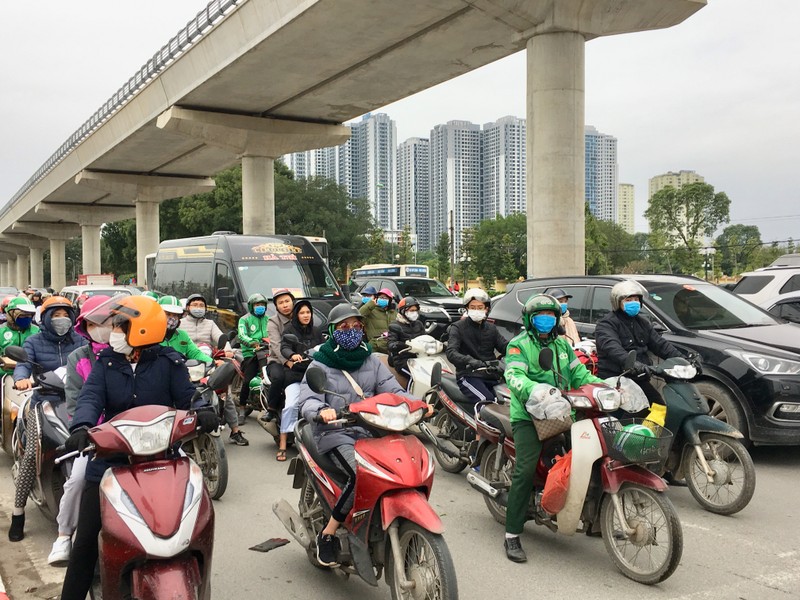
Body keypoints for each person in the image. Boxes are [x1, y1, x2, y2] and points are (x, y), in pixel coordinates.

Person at [59, 295, 218, 600]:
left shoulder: (169, 362)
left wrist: (203, 408)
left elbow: (188, 394)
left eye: (121, 325)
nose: (113, 331)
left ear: (141, 329)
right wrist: (81, 427)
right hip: (111, 458)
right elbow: (90, 397)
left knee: (196, 517)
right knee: (87, 541)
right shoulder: (106, 363)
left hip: (163, 457)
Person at [298, 304, 419, 567]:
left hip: (371, 429)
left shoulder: (370, 359)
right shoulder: (320, 364)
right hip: (335, 432)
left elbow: (392, 390)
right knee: (360, 474)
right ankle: (328, 534)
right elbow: (307, 400)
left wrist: (417, 404)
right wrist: (322, 411)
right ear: (332, 331)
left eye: (356, 326)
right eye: (344, 327)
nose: (351, 331)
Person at [502, 294, 606, 563]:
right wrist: (534, 389)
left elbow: (581, 375)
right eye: (541, 316)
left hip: (562, 411)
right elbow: (514, 375)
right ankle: (512, 534)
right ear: (530, 319)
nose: (546, 320)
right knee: (524, 471)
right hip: (528, 415)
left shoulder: (563, 345)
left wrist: (607, 386)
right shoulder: (519, 345)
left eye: (550, 315)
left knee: (590, 458)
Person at [8, 296, 87, 542]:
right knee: (32, 454)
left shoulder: (81, 340)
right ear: (45, 318)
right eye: (55, 314)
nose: (61, 319)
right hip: (44, 401)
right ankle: (18, 513)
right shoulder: (34, 341)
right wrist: (22, 378)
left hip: (77, 402)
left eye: (65, 314)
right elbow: (22, 365)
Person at [46, 295, 111, 565]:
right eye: (97, 321)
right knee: (78, 479)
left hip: (134, 433)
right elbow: (77, 401)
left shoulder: (135, 353)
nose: (105, 326)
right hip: (96, 435)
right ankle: (64, 535)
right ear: (85, 326)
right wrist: (85, 429)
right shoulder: (79, 359)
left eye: (110, 320)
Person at [595, 280, 683, 411]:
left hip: (639, 378)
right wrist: (633, 363)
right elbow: (613, 349)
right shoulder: (606, 324)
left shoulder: (642, 322)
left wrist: (683, 360)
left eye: (636, 299)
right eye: (628, 299)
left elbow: (660, 345)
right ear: (617, 302)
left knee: (659, 409)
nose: (634, 302)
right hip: (617, 381)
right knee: (638, 412)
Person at [180, 293, 248, 446]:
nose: (198, 308)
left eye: (201, 305)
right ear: (188, 307)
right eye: (195, 305)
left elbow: (220, 338)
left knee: (225, 394)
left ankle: (235, 431)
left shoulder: (210, 324)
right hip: (186, 366)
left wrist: (228, 350)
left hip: (208, 363)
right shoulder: (181, 324)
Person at [277, 299, 324, 460]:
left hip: (314, 375)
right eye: (302, 312)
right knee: (290, 406)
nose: (306, 315)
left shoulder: (317, 331)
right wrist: (292, 355)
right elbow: (284, 347)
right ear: (296, 315)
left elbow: (325, 347)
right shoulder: (289, 330)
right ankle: (283, 443)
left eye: (308, 312)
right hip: (296, 375)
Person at [445, 288, 508, 404]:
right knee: (487, 402)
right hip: (469, 376)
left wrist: (519, 349)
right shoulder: (458, 327)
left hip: (492, 375)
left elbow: (505, 347)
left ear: (486, 309)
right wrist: (470, 360)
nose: (476, 310)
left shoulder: (491, 328)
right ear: (467, 309)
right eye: (472, 307)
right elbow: (451, 352)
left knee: (509, 401)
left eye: (480, 307)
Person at [262, 289, 295, 422]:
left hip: (298, 358)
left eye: (287, 301)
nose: (285, 305)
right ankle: (271, 408)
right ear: (276, 306)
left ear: (293, 302)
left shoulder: (300, 317)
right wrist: (287, 362)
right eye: (281, 303)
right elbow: (276, 345)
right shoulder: (273, 322)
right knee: (279, 377)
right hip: (277, 360)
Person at [158, 295, 216, 363]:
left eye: (175, 315)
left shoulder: (182, 335)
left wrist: (214, 362)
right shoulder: (150, 336)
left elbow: (195, 353)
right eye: (168, 314)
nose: (172, 318)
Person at [237, 293, 269, 408]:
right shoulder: (244, 319)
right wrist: (252, 342)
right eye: (257, 304)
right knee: (247, 380)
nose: (260, 306)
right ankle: (242, 406)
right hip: (251, 353)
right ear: (251, 306)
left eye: (262, 304)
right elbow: (241, 335)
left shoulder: (269, 319)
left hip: (267, 352)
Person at [387, 296, 426, 377]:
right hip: (402, 360)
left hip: (420, 358)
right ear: (403, 311)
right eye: (411, 310)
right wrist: (399, 345)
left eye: (416, 310)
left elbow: (425, 338)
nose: (414, 312)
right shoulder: (395, 325)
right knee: (416, 376)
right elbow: (390, 344)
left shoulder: (419, 324)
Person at [0, 297, 40, 374]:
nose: (27, 318)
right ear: (11, 314)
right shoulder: (1, 331)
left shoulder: (37, 331)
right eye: (22, 315)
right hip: (5, 375)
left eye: (29, 315)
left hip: (31, 375)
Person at [359, 287, 396, 353]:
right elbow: (359, 315)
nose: (382, 299)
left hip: (390, 346)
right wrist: (370, 304)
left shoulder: (393, 313)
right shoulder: (371, 310)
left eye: (385, 298)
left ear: (390, 300)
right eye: (380, 297)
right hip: (375, 346)